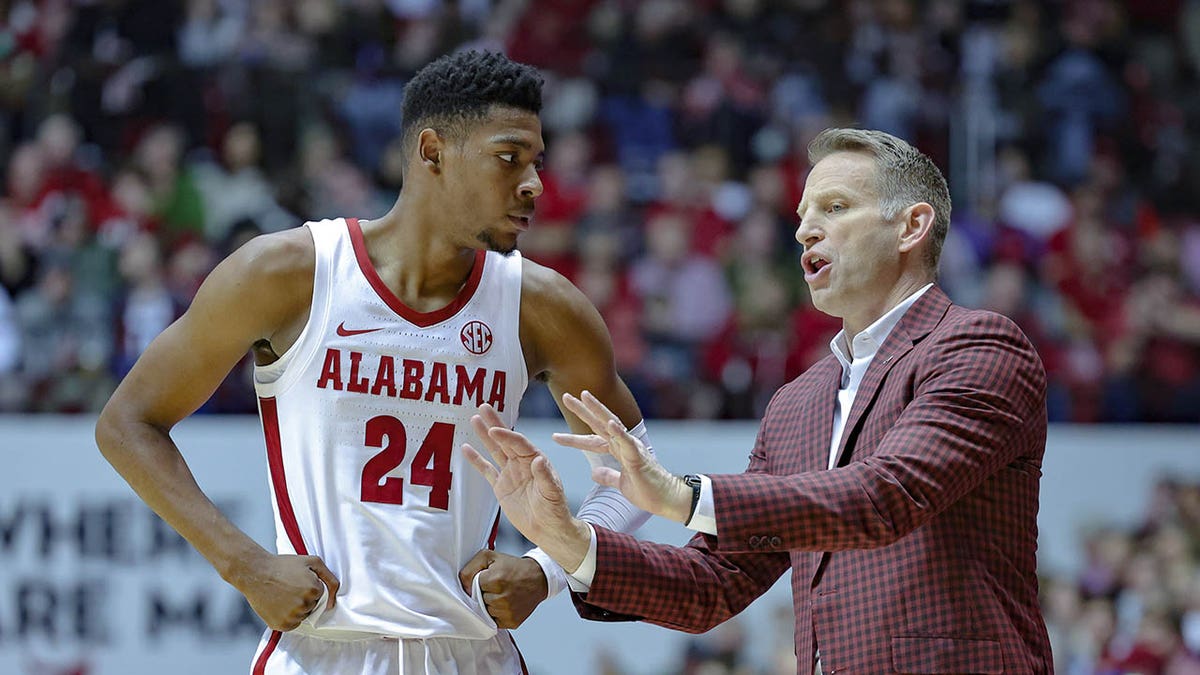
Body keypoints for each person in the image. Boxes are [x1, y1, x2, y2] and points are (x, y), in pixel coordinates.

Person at [94, 50, 652, 674]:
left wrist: (549, 570)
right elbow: (127, 424)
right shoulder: (289, 273)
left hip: (472, 652)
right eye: (508, 157)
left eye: (536, 163)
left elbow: (633, 461)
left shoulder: (543, 307)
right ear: (434, 151)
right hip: (321, 649)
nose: (534, 184)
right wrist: (244, 565)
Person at [465, 128, 1055, 674]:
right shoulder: (798, 403)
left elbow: (884, 497)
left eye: (835, 208)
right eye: (802, 215)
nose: (804, 230)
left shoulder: (979, 347)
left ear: (911, 226)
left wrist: (679, 494)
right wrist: (568, 539)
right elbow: (712, 584)